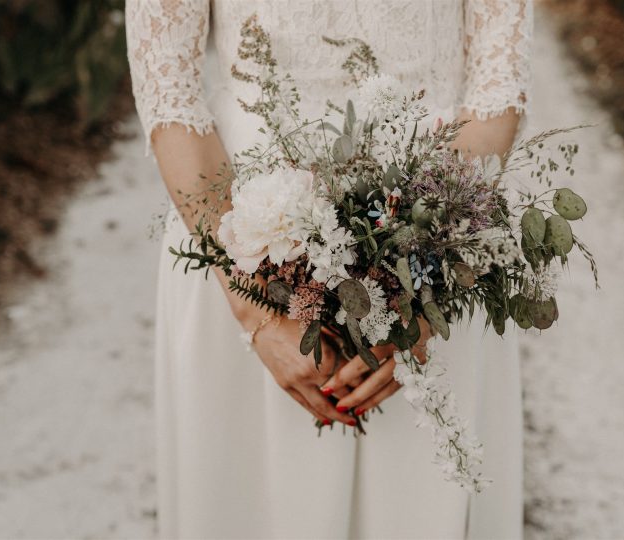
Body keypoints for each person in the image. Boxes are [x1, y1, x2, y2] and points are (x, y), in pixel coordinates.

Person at [126, 1, 531, 537]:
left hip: (438, 220)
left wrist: (425, 279)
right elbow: (166, 87)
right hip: (243, 234)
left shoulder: (434, 255)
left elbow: (497, 89)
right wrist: (259, 314)